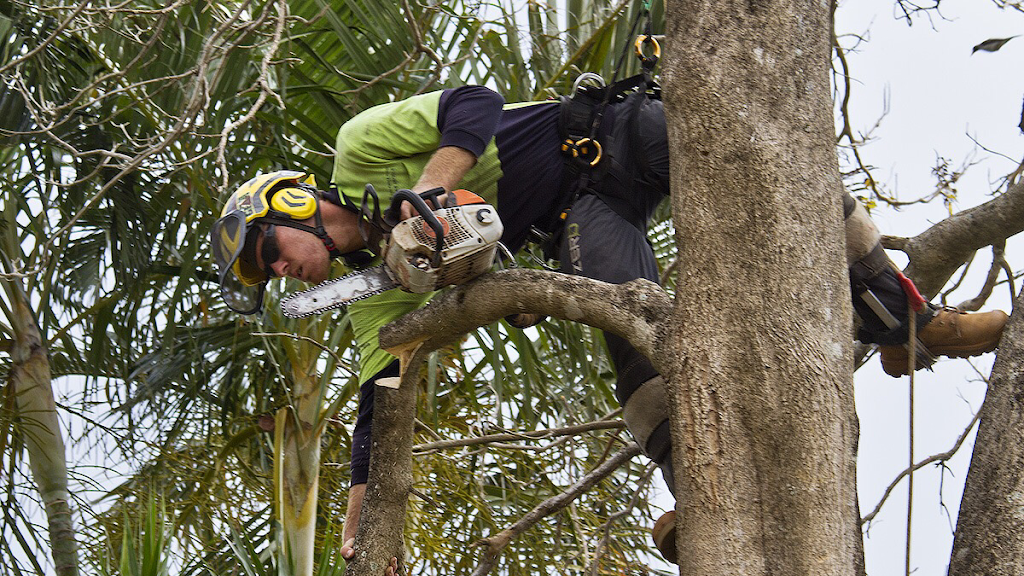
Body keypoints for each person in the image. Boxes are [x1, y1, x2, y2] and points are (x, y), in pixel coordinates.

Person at [210, 83, 1008, 565]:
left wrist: (431, 192)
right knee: (632, 330)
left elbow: (474, 105)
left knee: (782, 168)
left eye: (268, 253)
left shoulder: (359, 150)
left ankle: (911, 326)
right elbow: (380, 385)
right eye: (267, 275)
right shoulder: (381, 288)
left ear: (288, 205)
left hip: (605, 137)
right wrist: (360, 509)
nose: (280, 272)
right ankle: (700, 496)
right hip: (582, 213)